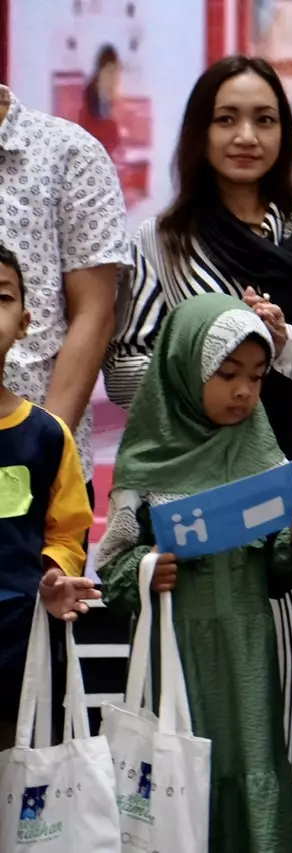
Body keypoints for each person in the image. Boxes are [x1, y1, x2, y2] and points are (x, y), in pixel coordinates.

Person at [103, 55, 292, 852]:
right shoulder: (160, 240)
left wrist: (286, 348)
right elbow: (124, 371)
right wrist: (214, 347)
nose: (246, 136)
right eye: (227, 118)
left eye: (264, 119)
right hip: (194, 513)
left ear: (285, 132)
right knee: (214, 718)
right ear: (199, 132)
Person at [96, 293, 292, 853]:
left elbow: (276, 573)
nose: (245, 391)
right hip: (177, 652)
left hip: (247, 649)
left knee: (253, 765)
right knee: (180, 774)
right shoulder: (146, 462)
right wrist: (147, 570)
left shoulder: (261, 454)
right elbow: (112, 568)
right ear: (183, 368)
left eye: (256, 376)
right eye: (227, 374)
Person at [0, 81, 128, 506]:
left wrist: (43, 447)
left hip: (35, 455)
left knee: (39, 574)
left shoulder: (67, 152)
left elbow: (93, 313)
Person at [0, 245, 98, 748]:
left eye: (1, 297)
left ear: (24, 322)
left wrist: (55, 574)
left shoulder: (47, 436)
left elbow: (66, 532)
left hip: (20, 648)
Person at [80, 45, 122, 157]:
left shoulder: (109, 101)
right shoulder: (87, 101)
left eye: (115, 73)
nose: (113, 79)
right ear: (100, 71)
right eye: (109, 72)